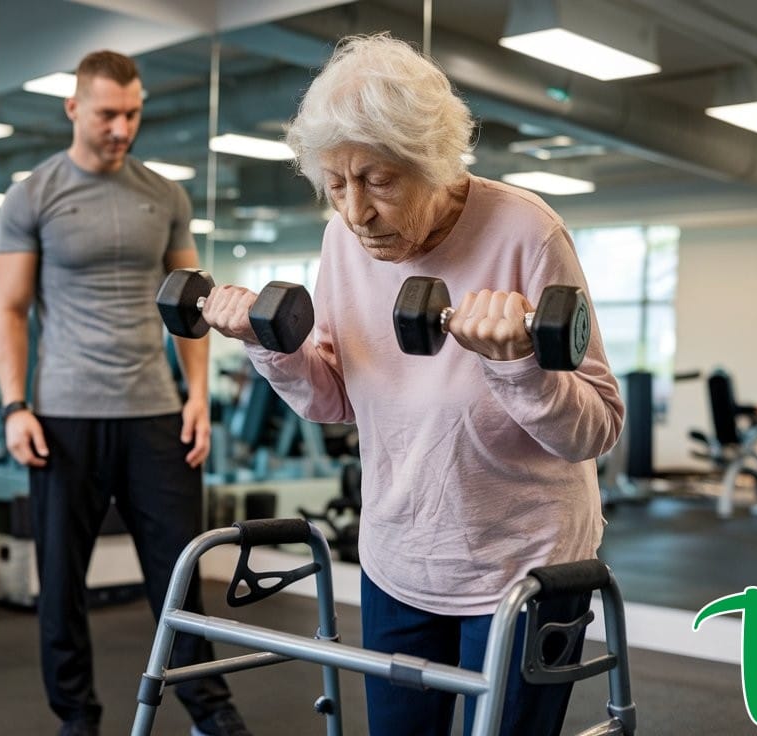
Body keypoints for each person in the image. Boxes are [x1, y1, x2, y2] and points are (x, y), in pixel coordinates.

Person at [201, 35, 624, 736]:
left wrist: (517, 363)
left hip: (526, 567)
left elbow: (600, 425)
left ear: (433, 162)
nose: (357, 212)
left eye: (378, 181)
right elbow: (335, 397)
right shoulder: (344, 240)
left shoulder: (527, 232)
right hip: (399, 557)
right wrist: (266, 342)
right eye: (336, 185)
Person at [0, 50, 251, 736]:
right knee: (62, 585)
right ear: (74, 108)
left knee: (180, 576)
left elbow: (190, 304)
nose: (122, 127)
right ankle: (77, 718)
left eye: (132, 113)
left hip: (154, 413)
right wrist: (15, 405)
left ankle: (209, 710)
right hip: (64, 416)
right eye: (108, 113)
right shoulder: (34, 194)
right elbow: (9, 310)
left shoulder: (164, 194)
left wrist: (198, 396)